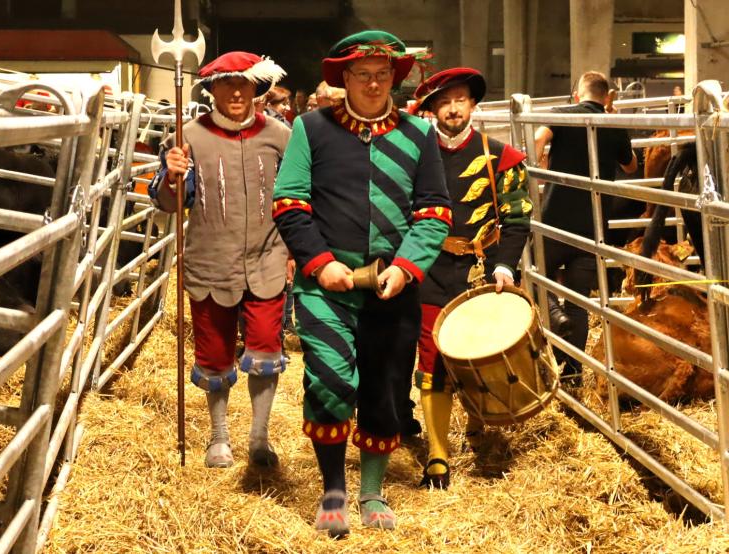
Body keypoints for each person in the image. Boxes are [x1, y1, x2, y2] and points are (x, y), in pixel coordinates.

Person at [273, 30, 450, 537]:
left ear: (394, 79)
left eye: (382, 75)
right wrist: (319, 261)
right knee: (329, 381)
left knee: (387, 390)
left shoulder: (419, 134)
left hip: (394, 285)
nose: (373, 84)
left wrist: (406, 266)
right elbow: (289, 202)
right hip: (327, 283)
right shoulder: (312, 127)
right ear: (343, 79)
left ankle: (371, 489)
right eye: (362, 75)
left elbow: (435, 211)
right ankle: (333, 489)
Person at [149, 51, 292, 469]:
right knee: (214, 355)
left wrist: (297, 253)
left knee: (266, 349)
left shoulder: (281, 136)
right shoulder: (186, 137)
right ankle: (219, 437)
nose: (234, 92)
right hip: (210, 263)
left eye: (243, 84)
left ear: (256, 88)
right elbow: (170, 203)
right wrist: (173, 174)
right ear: (211, 89)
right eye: (225, 84)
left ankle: (259, 439)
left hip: (267, 260)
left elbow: (297, 198)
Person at [410, 67, 531, 489]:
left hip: (482, 267)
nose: (452, 108)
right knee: (432, 358)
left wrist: (505, 265)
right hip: (428, 267)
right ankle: (438, 456)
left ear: (473, 104)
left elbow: (517, 219)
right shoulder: (414, 155)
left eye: (459, 99)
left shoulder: (504, 157)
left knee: (482, 354)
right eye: (443, 102)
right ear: (431, 111)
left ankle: (481, 425)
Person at [533, 71, 638, 384]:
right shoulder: (611, 123)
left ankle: (554, 315)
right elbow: (631, 166)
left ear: (577, 95)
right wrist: (615, 126)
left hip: (555, 220)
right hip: (593, 225)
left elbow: (538, 138)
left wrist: (538, 164)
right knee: (579, 299)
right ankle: (573, 374)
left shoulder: (564, 114)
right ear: (606, 97)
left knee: (534, 275)